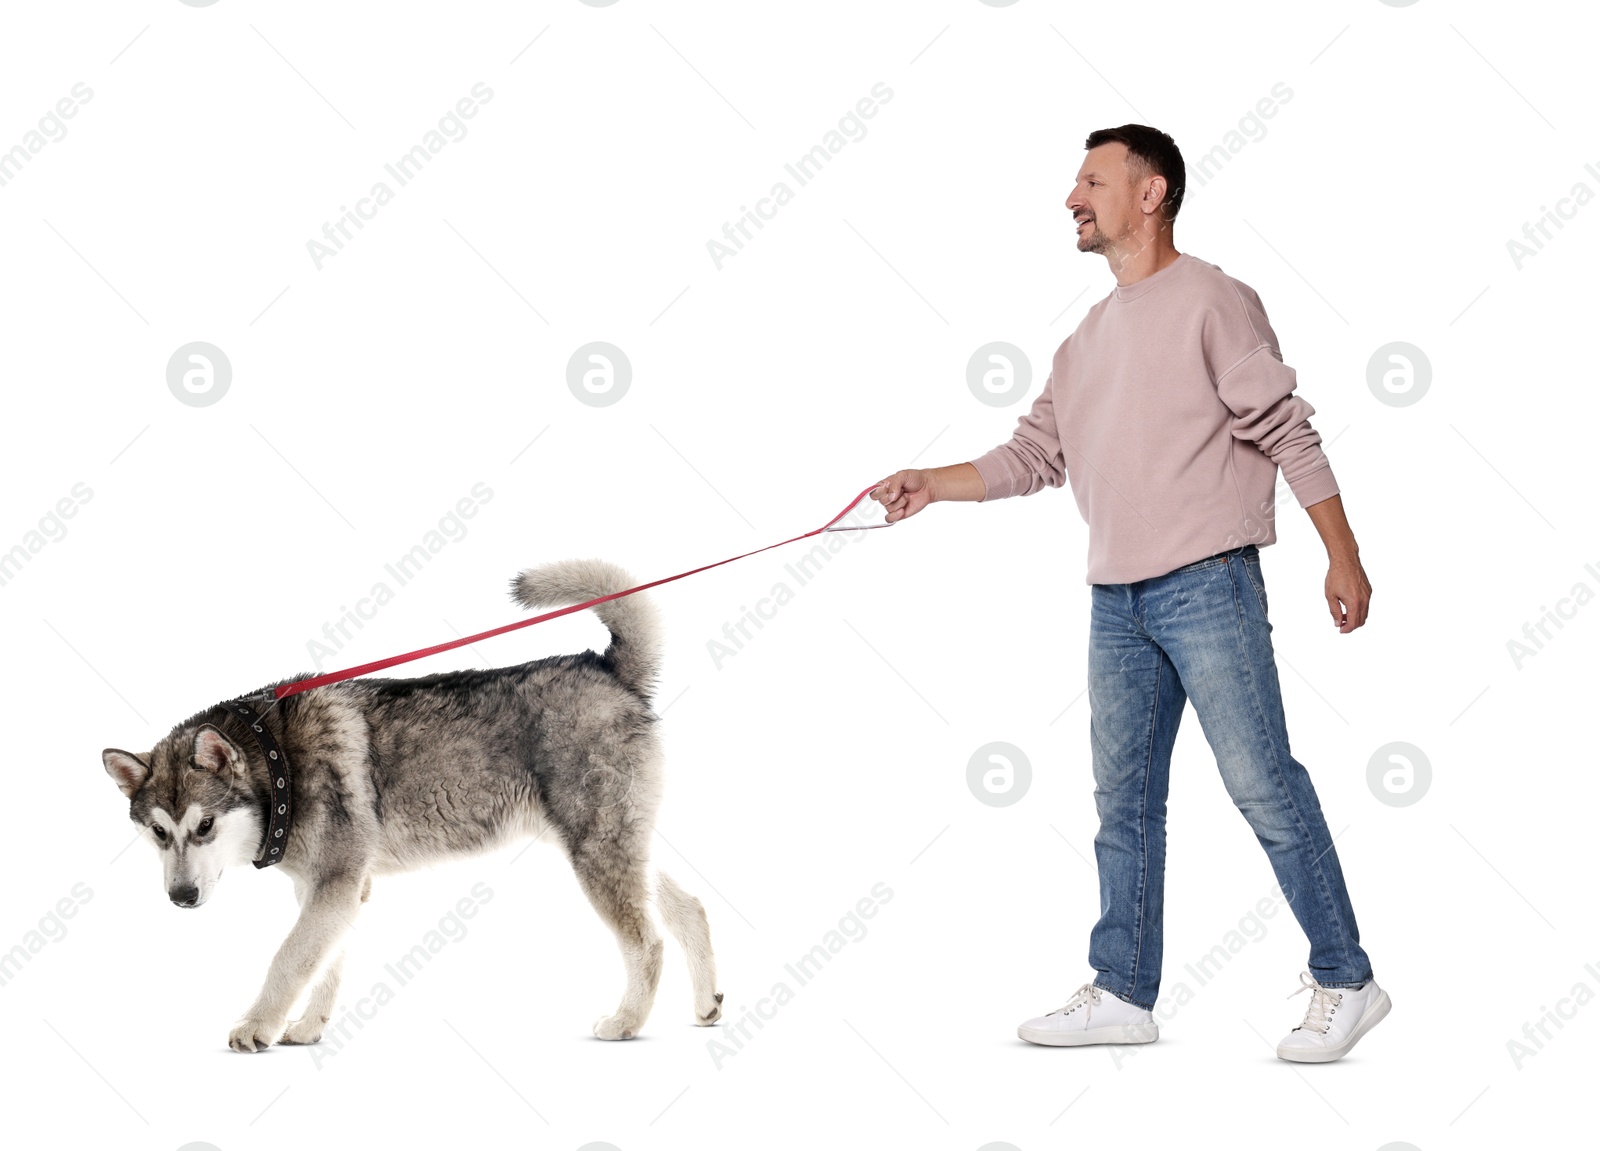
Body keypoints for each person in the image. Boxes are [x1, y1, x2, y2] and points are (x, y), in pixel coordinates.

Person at [870, 124, 1390, 1064]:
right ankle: (1123, 989)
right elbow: (1033, 456)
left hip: (1209, 585)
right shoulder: (1083, 340)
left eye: (1092, 180)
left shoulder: (1215, 301)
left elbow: (1286, 429)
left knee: (1264, 786)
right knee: (1125, 804)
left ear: (1150, 195)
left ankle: (1347, 978)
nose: (1073, 197)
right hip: (1117, 603)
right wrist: (930, 482)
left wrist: (1340, 555)